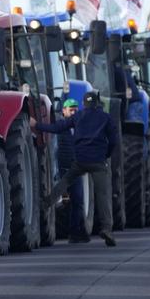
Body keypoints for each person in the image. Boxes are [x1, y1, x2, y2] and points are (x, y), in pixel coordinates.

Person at [31, 91, 119, 247]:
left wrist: (36, 125)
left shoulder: (78, 117)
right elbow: (114, 141)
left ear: (84, 103)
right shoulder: (105, 117)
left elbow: (57, 128)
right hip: (98, 162)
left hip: (80, 160)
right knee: (103, 195)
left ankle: (45, 203)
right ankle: (107, 229)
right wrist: (106, 155)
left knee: (65, 181)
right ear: (97, 103)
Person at [55, 98, 90, 243]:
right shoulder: (59, 127)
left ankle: (76, 232)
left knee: (78, 200)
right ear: (64, 111)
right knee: (63, 201)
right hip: (63, 169)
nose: (74, 112)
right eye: (71, 110)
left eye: (76, 110)